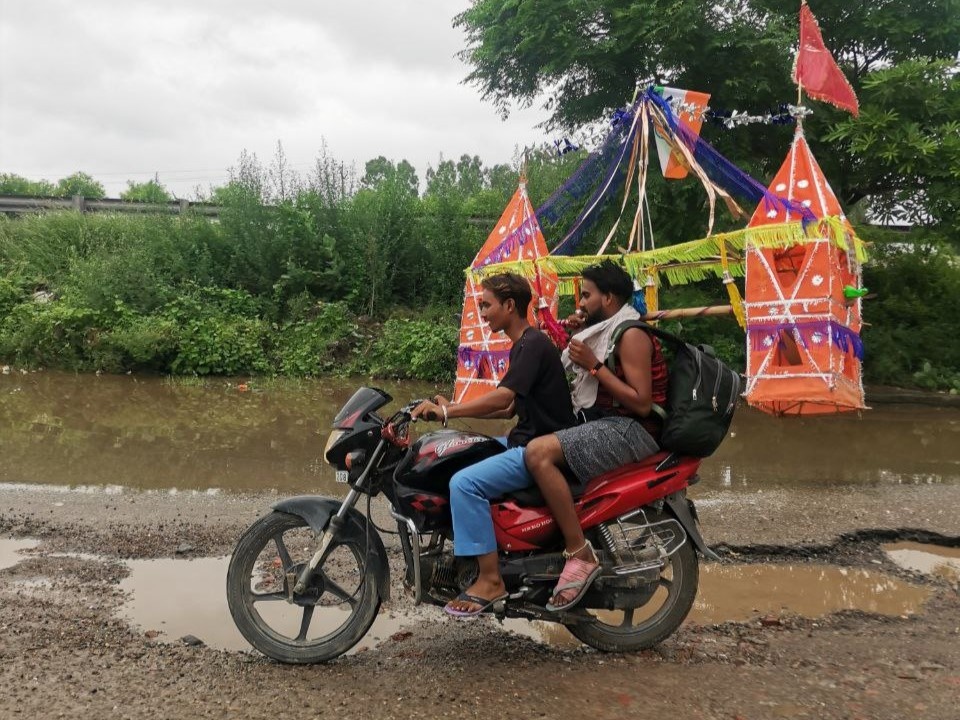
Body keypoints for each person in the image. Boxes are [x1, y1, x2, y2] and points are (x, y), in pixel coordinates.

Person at [411, 272, 574, 618]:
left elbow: (502, 396)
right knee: (460, 454)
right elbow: (507, 407)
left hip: (539, 447)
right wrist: (450, 416)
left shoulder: (532, 344)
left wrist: (446, 411)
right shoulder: (525, 345)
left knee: (464, 483)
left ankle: (489, 579)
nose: (482, 313)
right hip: (524, 439)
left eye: (486, 305)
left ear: (510, 305)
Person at [524, 260, 668, 611]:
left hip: (632, 430)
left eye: (587, 296)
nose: (581, 303)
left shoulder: (631, 334)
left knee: (537, 453)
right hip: (606, 422)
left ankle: (580, 552)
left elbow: (642, 403)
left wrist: (593, 363)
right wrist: (578, 336)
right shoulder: (606, 329)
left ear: (609, 298)